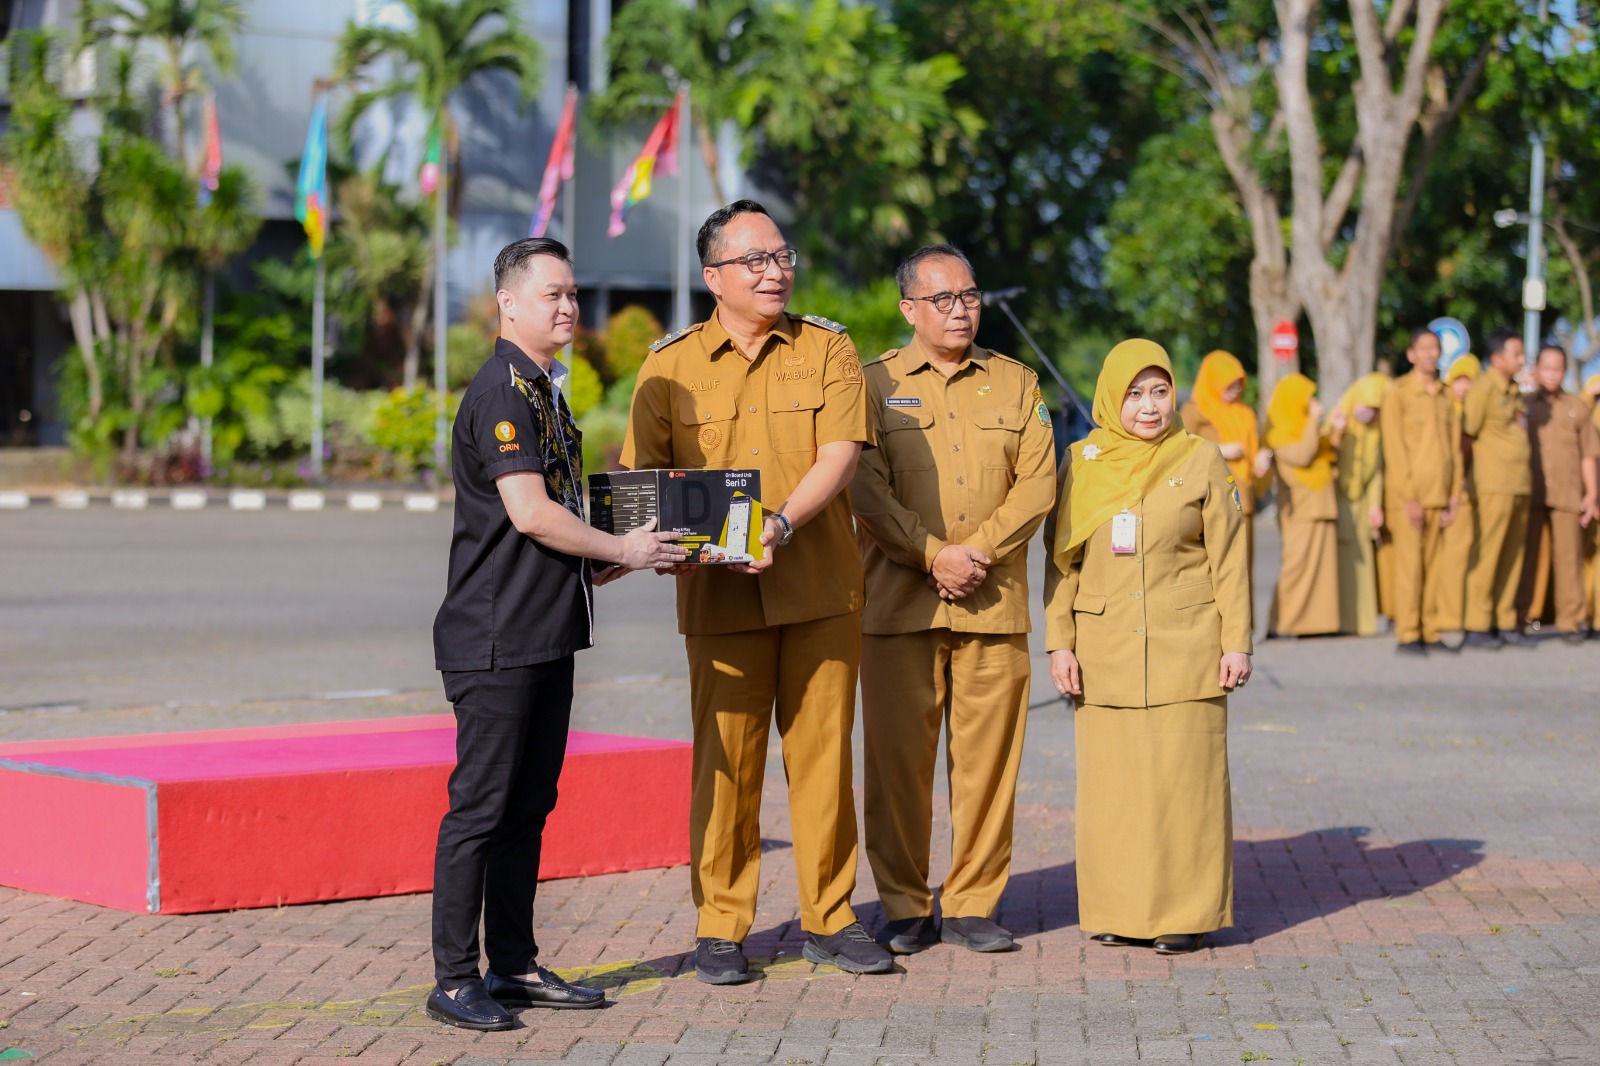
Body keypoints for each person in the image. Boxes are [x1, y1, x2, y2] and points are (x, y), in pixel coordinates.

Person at [620, 200, 892, 984]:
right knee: (726, 765)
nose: (776, 272)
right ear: (714, 277)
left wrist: (781, 523)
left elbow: (839, 453)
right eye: (756, 260)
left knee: (823, 763)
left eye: (782, 257)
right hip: (719, 600)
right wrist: (660, 545)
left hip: (818, 586)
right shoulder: (668, 366)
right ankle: (720, 927)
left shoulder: (828, 348)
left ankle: (831, 918)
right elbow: (643, 478)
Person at [428, 238, 688, 1031]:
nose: (569, 306)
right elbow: (530, 512)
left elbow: (562, 509)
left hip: (545, 630)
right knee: (480, 810)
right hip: (497, 636)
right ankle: (454, 979)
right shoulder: (503, 393)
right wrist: (622, 549)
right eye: (553, 294)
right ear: (508, 304)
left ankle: (511, 965)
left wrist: (600, 559)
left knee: (526, 807)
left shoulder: (543, 390)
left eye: (573, 293)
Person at [850, 245, 1056, 956]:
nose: (961, 310)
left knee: (988, 767)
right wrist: (931, 554)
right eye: (943, 299)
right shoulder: (873, 383)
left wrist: (977, 553)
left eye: (969, 296)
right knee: (895, 770)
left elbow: (1038, 484)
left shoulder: (1016, 383)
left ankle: (973, 903)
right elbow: (863, 485)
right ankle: (904, 904)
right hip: (898, 607)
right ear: (909, 308)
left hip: (992, 606)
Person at [1044, 339, 1251, 956]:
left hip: (1186, 645)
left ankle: (1185, 914)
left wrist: (1236, 643)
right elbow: (1062, 564)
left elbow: (1230, 559)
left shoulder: (1201, 457)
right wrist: (1060, 644)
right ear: (1112, 398)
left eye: (1160, 391)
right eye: (1134, 394)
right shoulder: (1082, 461)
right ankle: (1118, 910)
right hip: (1104, 649)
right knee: (1114, 790)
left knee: (1185, 788)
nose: (1149, 406)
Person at [1379, 328, 1461, 654]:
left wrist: (1454, 495)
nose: (1430, 354)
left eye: (1435, 348)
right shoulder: (1398, 393)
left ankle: (1430, 629)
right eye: (1423, 348)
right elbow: (1394, 449)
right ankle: (1408, 632)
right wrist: (1409, 497)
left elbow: (1454, 449)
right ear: (1411, 354)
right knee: (1409, 567)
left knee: (1434, 567)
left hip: (1440, 494)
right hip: (1409, 497)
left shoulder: (1446, 394)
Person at [1514, 345, 1600, 642]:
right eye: (1546, 368)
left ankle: (1570, 621)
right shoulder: (1523, 405)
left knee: (1569, 558)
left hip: (1568, 493)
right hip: (1530, 491)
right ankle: (1519, 618)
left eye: (1557, 369)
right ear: (1536, 370)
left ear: (1564, 372)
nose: (1551, 374)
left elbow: (1588, 455)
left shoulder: (1578, 407)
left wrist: (1592, 494)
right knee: (1527, 557)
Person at [1459, 330, 1530, 648]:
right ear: (1497, 358)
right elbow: (1467, 436)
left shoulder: (1514, 390)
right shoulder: (1483, 389)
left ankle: (1505, 621)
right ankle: (1477, 624)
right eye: (1516, 354)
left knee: (1512, 556)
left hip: (1519, 484)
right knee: (1487, 555)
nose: (1522, 360)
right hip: (1492, 485)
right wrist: (1462, 479)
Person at [1181, 351, 1272, 595]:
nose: (1235, 391)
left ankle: (1242, 619)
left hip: (1244, 499)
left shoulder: (1245, 413)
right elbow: (1182, 448)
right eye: (1228, 385)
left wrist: (1260, 460)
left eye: (1239, 385)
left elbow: (1253, 450)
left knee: (1242, 568)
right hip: (1211, 498)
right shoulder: (1194, 411)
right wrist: (1221, 449)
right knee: (1213, 568)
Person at [1264, 374, 1341, 637]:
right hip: (1300, 509)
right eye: (1306, 398)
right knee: (1296, 568)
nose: (1311, 402)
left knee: (1322, 570)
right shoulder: (1279, 432)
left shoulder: (1305, 427)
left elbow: (1327, 452)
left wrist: (1336, 429)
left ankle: (1315, 624)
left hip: (1320, 504)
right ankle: (1281, 623)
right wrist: (1313, 420)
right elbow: (1303, 455)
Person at [1331, 373, 1389, 636]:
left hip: (1363, 501)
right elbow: (1328, 454)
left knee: (1364, 561)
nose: (1369, 413)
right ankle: (1343, 620)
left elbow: (1375, 471)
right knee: (1344, 561)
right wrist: (1338, 430)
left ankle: (1364, 623)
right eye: (1366, 407)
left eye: (1375, 409)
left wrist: (1375, 505)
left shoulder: (1376, 430)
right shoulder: (1339, 421)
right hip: (1339, 499)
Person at [1433, 356, 1482, 633]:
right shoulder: (1444, 408)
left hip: (1468, 494)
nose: (1463, 387)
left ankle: (1457, 614)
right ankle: (1447, 616)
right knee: (1449, 558)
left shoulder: (1476, 413)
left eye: (1469, 381)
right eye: (1458, 381)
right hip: (1446, 493)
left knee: (1461, 558)